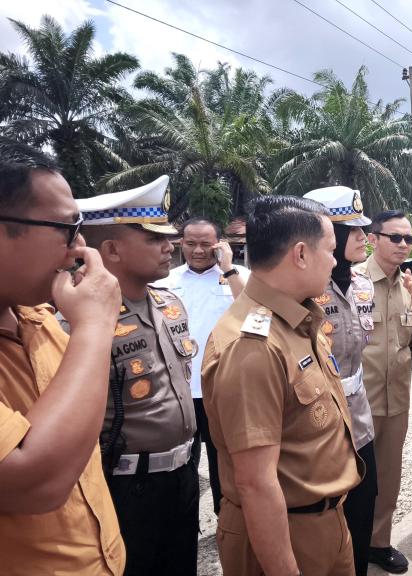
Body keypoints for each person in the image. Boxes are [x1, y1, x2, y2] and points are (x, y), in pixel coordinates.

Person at [202, 195, 362, 576]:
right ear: (301, 254)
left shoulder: (295, 319)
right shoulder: (252, 346)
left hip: (326, 522)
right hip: (284, 536)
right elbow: (256, 484)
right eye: (330, 250)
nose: (336, 261)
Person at [0, 141, 126, 574]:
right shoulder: (75, 322)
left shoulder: (37, 318)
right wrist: (94, 325)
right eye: (67, 229)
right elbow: (35, 483)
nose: (79, 248)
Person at [76, 176, 199, 576]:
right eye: (153, 239)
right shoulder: (75, 320)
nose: (170, 246)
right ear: (110, 249)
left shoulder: (168, 303)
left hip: (182, 475)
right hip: (126, 486)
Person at [305, 186, 377, 576]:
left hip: (360, 416)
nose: (365, 236)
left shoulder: (362, 284)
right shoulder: (303, 291)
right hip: (321, 418)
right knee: (329, 516)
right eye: (353, 230)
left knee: (365, 501)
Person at [155, 217, 250, 515]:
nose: (198, 250)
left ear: (219, 244)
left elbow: (252, 310)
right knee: (184, 463)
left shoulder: (238, 276)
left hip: (222, 388)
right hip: (180, 391)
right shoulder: (164, 283)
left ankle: (229, 520)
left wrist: (229, 268)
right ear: (180, 243)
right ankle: (186, 521)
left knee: (226, 460)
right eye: (191, 243)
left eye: (206, 244)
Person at [354, 210, 412, 574]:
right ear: (373, 238)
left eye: (408, 239)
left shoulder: (409, 286)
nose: (402, 245)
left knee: (388, 478)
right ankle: (348, 548)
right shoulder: (352, 282)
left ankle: (378, 544)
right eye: (394, 237)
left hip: (396, 400)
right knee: (353, 479)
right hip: (357, 404)